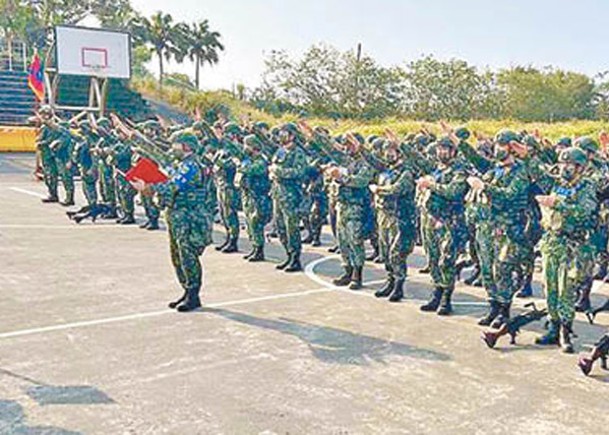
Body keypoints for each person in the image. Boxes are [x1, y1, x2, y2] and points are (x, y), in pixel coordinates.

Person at [131, 132, 213, 312]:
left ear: (186, 147)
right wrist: (131, 134)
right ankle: (186, 290)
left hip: (188, 217)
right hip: (176, 215)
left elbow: (172, 186)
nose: (172, 147)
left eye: (176, 144)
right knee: (176, 255)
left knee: (187, 255)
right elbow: (156, 153)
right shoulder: (181, 163)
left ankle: (193, 294)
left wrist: (148, 188)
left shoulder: (191, 166)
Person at [535, 146, 598, 353]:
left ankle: (565, 330)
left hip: (572, 246)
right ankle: (553, 326)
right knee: (550, 287)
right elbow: (535, 173)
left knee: (566, 290)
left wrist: (558, 204)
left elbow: (585, 212)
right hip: (552, 242)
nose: (565, 168)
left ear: (580, 167)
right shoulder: (556, 183)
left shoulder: (586, 187)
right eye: (563, 164)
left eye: (569, 164)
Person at [417, 136, 469, 315]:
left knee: (446, 260)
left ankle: (446, 297)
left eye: (446, 149)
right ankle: (436, 293)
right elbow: (416, 160)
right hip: (431, 219)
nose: (442, 152)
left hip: (450, 221)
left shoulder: (459, 171)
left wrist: (432, 185)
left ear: (453, 151)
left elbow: (453, 192)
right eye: (439, 149)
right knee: (432, 258)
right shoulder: (436, 169)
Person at [269, 123, 307, 273]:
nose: (281, 136)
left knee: (291, 228)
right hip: (277, 192)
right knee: (280, 227)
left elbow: (299, 171)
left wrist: (279, 171)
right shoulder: (280, 150)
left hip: (290, 194)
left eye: (285, 133)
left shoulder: (298, 152)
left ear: (292, 135)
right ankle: (288, 255)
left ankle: (295, 259)